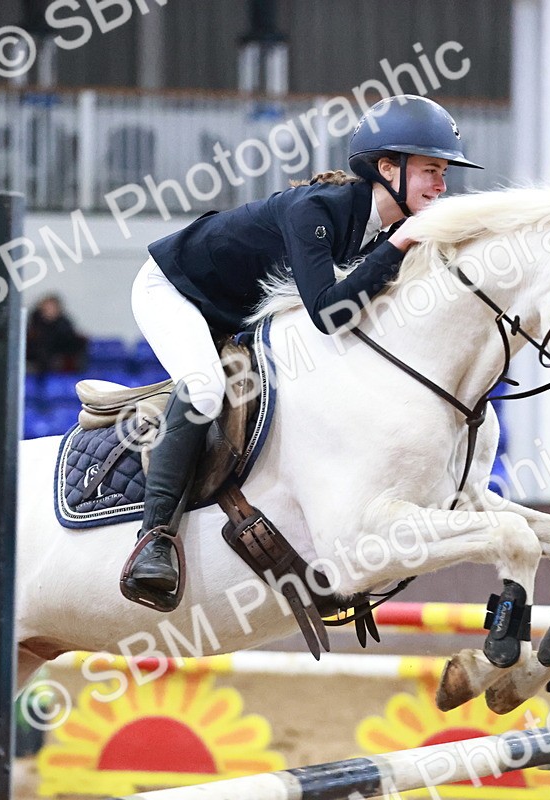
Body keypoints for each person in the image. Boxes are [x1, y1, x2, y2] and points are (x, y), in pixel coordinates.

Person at [123, 95, 482, 604]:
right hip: (174, 292)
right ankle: (154, 539)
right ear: (387, 168)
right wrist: (398, 249)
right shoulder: (315, 210)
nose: (443, 185)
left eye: (444, 172)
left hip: (239, 312)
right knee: (204, 389)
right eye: (431, 171)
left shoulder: (389, 230)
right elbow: (329, 313)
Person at [26, 293, 89, 375]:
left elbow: (71, 347)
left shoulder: (64, 327)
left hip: (59, 366)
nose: (49, 311)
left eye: (51, 307)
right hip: (37, 365)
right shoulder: (34, 327)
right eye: (46, 308)